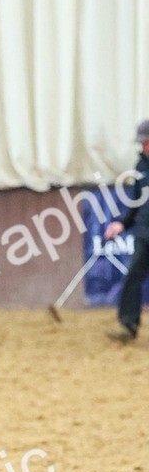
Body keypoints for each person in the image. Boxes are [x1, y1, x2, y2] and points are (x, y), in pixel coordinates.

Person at [104, 118, 149, 341]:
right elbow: (136, 203)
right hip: (144, 234)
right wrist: (122, 223)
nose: (144, 147)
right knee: (133, 278)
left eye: (146, 142)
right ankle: (128, 325)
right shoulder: (141, 167)